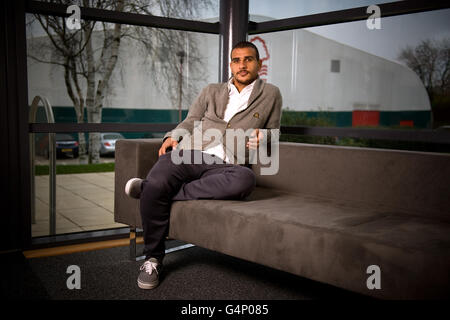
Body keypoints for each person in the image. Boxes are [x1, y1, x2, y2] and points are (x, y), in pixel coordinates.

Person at [124, 41, 283, 289]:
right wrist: (171, 137)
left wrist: (266, 136)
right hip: (192, 153)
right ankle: (153, 258)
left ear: (258, 64)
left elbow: (275, 130)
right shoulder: (211, 90)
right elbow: (190, 121)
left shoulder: (271, 94)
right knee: (162, 173)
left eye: (248, 59)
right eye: (237, 60)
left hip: (229, 163)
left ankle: (151, 191)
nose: (242, 65)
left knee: (246, 180)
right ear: (230, 64)